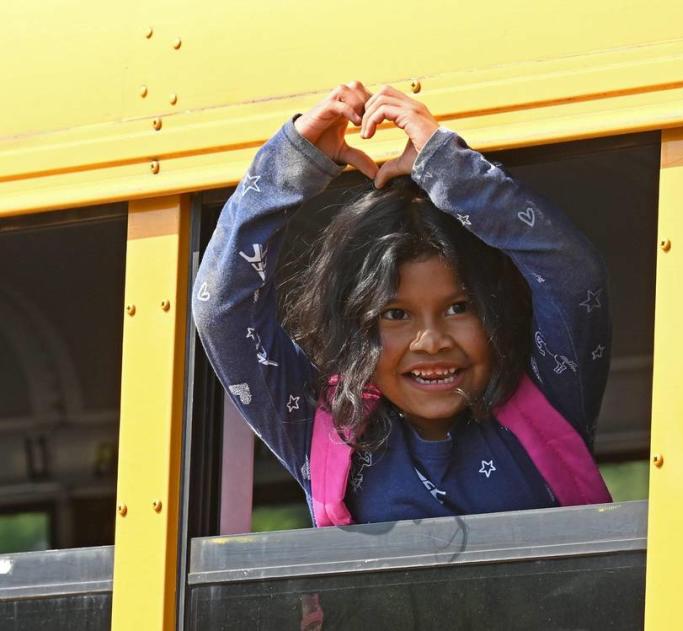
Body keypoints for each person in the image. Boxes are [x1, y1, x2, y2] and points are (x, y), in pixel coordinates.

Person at [192, 81, 612, 527]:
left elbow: (571, 272)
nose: (430, 341)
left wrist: (449, 169)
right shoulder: (325, 427)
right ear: (352, 329)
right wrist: (290, 165)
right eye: (395, 314)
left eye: (459, 307)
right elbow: (221, 308)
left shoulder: (549, 390)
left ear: (496, 313)